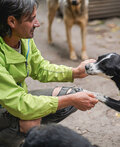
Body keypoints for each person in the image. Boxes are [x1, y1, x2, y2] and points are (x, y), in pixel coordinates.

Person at [0, 0, 98, 146]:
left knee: (74, 94)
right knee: (32, 117)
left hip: (17, 101)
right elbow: (19, 103)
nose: (38, 23)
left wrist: (75, 72)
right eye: (31, 19)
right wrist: (71, 99)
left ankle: (26, 130)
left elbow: (40, 68)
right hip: (7, 106)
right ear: (12, 21)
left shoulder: (23, 39)